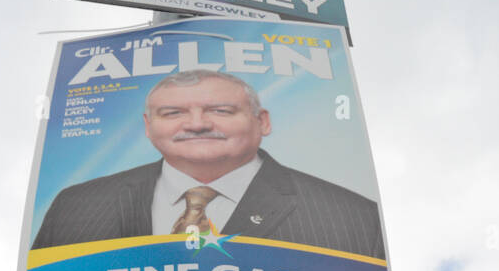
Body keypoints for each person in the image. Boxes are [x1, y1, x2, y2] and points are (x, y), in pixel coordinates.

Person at [31, 70, 385, 257]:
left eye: (220, 111)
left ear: (263, 122)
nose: (197, 124)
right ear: (148, 126)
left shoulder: (351, 217)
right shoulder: (77, 206)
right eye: (173, 113)